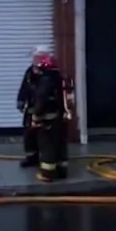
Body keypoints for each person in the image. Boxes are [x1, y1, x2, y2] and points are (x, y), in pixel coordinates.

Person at [29, 51, 70, 182]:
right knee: (60, 145)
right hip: (61, 118)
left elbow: (41, 99)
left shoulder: (46, 80)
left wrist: (35, 115)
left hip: (47, 120)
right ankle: (62, 171)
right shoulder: (62, 78)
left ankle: (47, 174)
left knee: (47, 146)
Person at [16, 46, 51, 168]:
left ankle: (47, 159)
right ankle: (31, 158)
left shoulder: (50, 74)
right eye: (35, 58)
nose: (35, 61)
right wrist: (20, 101)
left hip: (46, 113)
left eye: (38, 58)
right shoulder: (30, 72)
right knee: (29, 135)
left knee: (45, 137)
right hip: (31, 110)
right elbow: (24, 87)